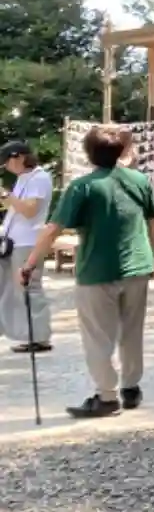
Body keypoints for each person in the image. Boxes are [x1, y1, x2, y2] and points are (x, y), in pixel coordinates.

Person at [16, 125, 154, 420]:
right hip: (138, 267)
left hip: (97, 270)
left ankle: (107, 396)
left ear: (89, 154)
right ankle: (131, 387)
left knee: (98, 337)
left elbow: (53, 229)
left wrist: (30, 264)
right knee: (132, 332)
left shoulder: (83, 187)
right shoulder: (139, 180)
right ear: (121, 151)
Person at [0, 142, 54, 353]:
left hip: (28, 242)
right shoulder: (24, 178)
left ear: (20, 157)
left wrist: (6, 195)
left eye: (7, 161)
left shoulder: (39, 178)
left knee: (30, 288)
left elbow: (30, 211)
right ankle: (26, 333)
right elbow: (16, 209)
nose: (6, 167)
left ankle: (39, 337)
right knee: (15, 289)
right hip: (15, 240)